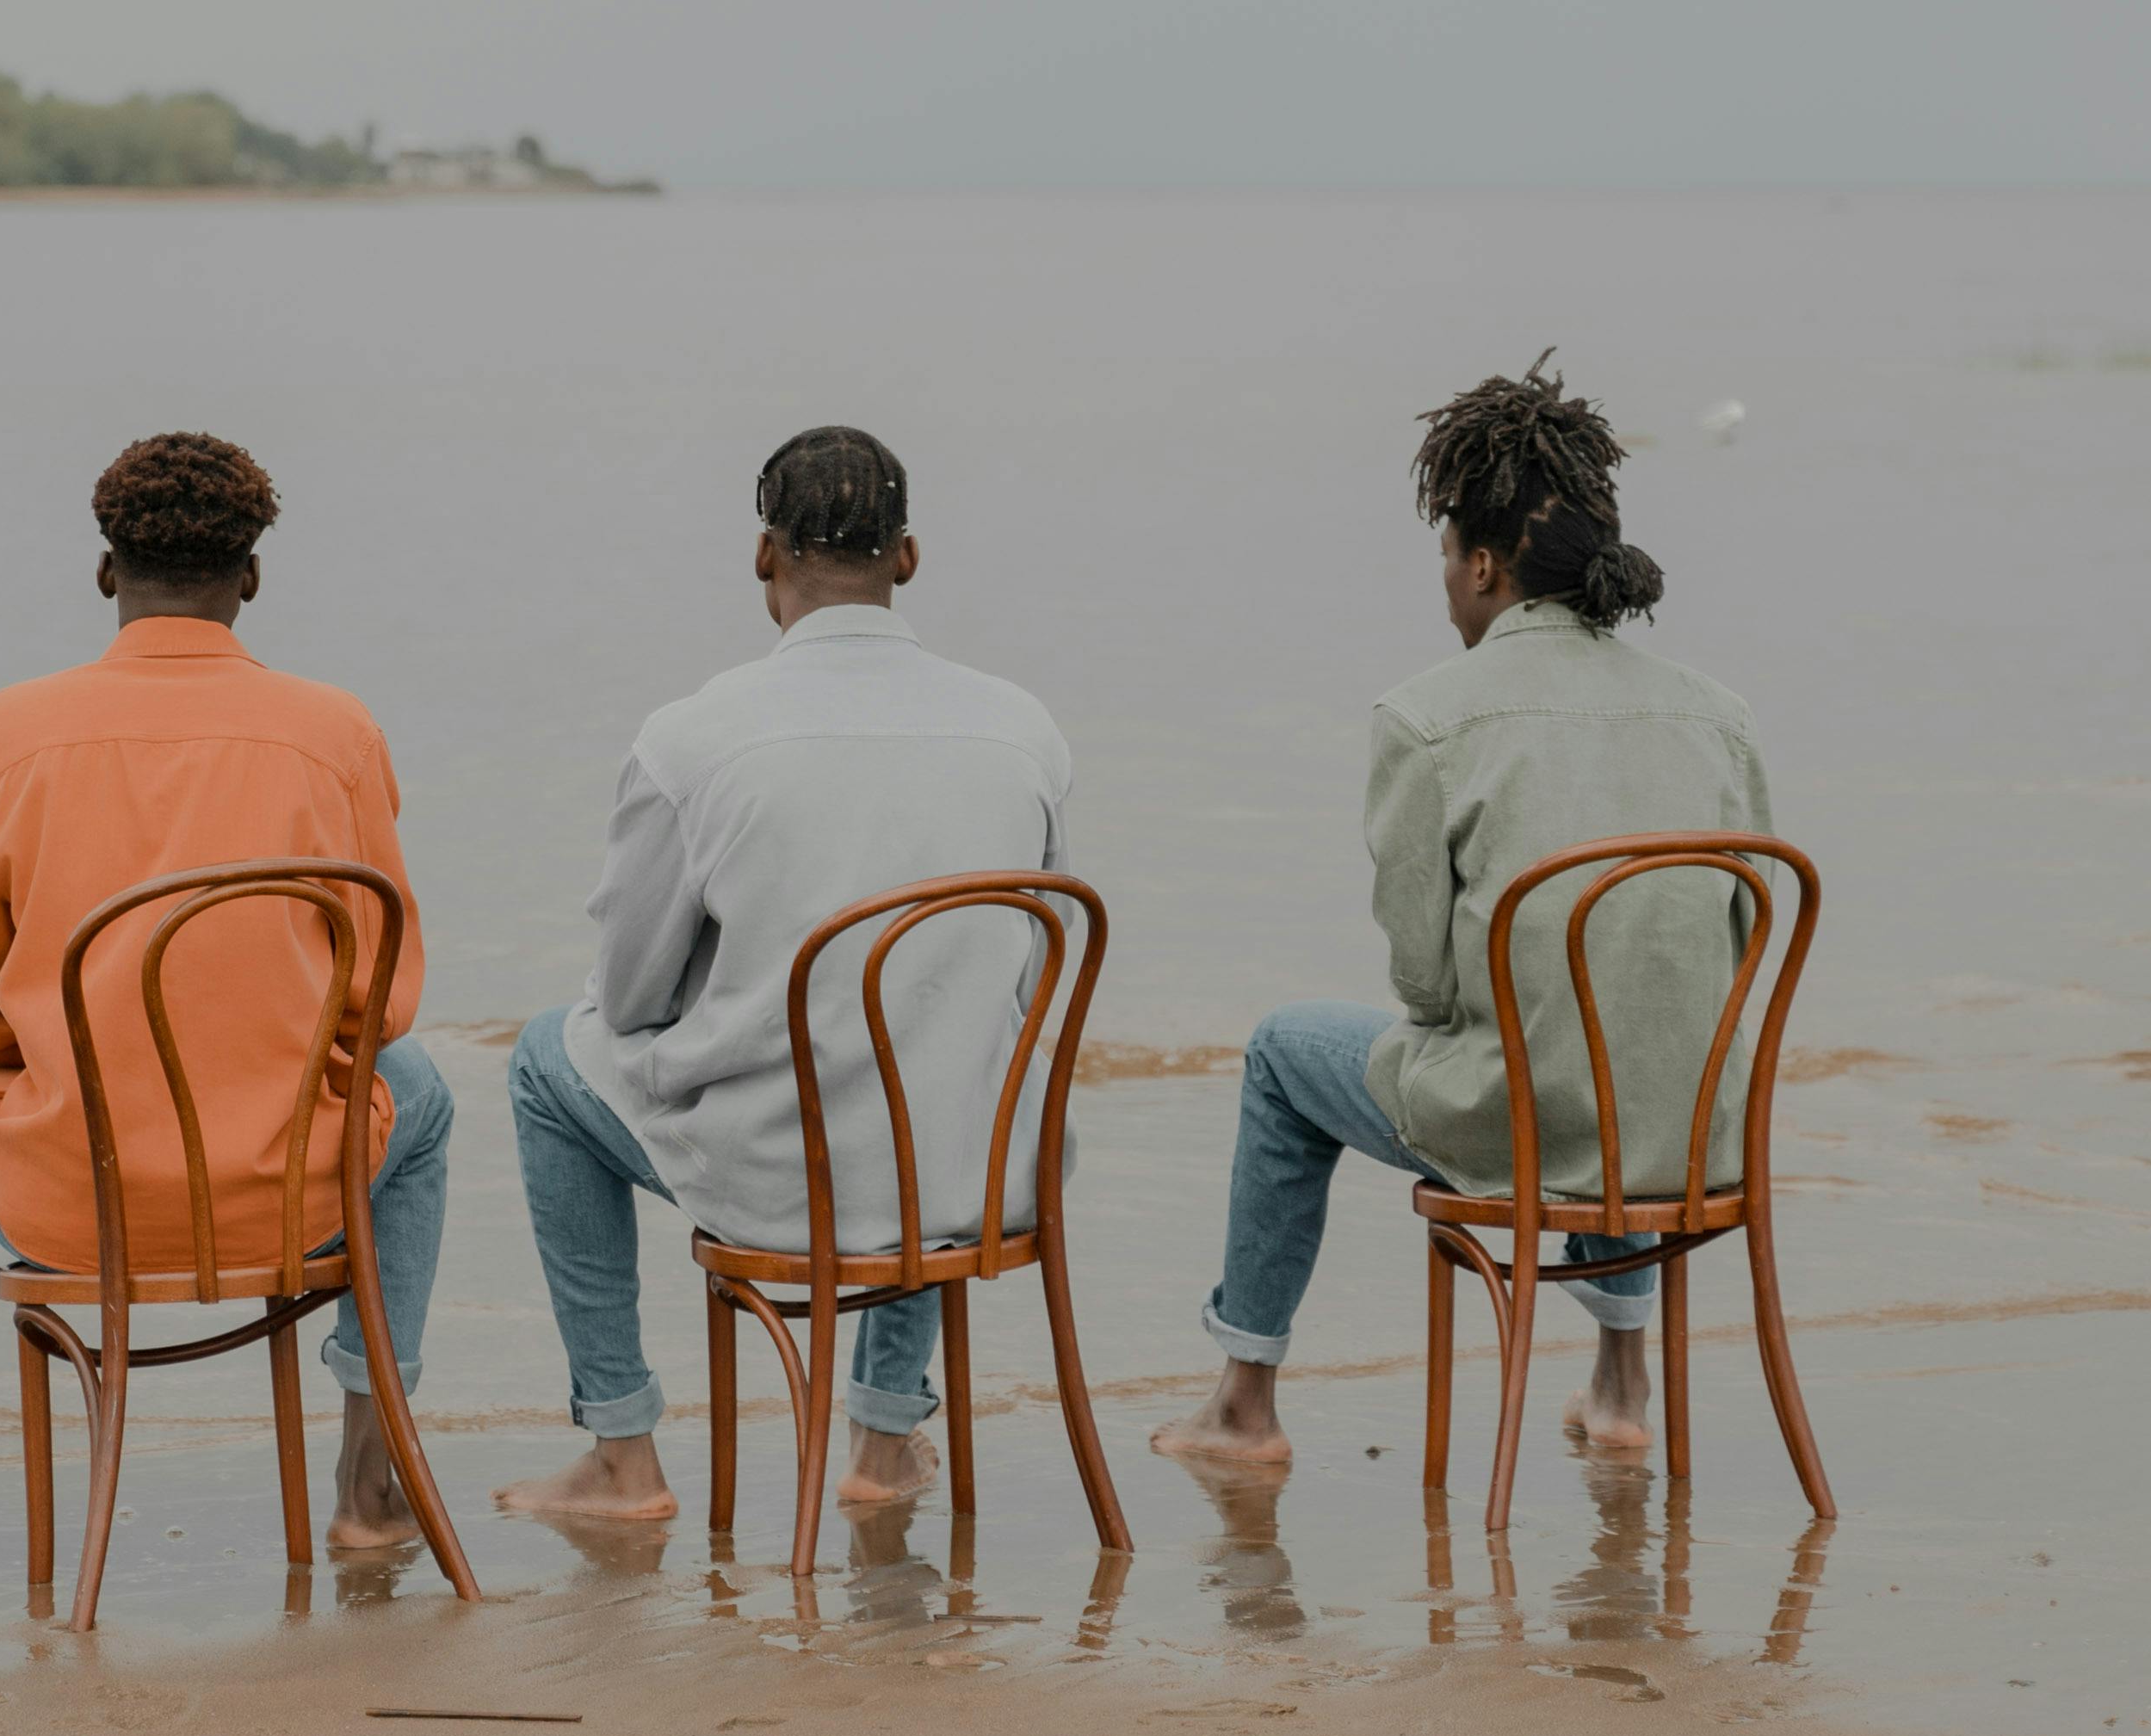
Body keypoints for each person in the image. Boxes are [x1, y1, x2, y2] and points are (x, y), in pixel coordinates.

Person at [1155, 355, 1770, 1476]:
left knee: (1284, 1051)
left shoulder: (1428, 717)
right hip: (1693, 1132)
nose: (1445, 582)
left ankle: (1243, 1401)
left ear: (1484, 566)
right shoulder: (1717, 714)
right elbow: (1723, 944)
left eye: (1447, 555)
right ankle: (1623, 1382)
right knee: (1617, 1007)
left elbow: (1427, 987)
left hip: (1529, 1131)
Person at [0, 429, 454, 1565]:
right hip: (286, 1202)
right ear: (251, 576)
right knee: (418, 1088)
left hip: (72, 1206)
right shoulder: (337, 732)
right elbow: (379, 1010)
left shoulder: (6, 732)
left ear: (106, 572)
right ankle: (367, 1480)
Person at [497, 423, 1072, 1529]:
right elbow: (1024, 970)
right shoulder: (1023, 730)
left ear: (764, 556)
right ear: (908, 557)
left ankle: (621, 1451)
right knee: (943, 1032)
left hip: (781, 1188)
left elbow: (629, 998)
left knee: (540, 1059)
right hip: (977, 1174)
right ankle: (885, 1439)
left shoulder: (692, 740)